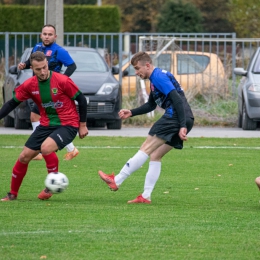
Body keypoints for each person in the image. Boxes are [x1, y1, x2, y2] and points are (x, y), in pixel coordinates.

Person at [98, 51, 194, 204]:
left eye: (137, 68)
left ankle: (117, 180)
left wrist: (181, 125)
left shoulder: (158, 77)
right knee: (155, 155)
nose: (136, 73)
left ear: (147, 65)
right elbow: (151, 105)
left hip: (175, 117)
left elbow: (177, 99)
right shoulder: (154, 79)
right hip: (185, 118)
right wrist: (132, 112)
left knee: (146, 148)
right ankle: (146, 196)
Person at [0, 51, 88, 201]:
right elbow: (11, 104)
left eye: (44, 67)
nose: (42, 72)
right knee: (24, 157)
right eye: (38, 69)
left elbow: (82, 99)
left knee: (46, 148)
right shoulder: (29, 85)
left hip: (68, 124)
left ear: (47, 64)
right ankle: (12, 194)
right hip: (46, 124)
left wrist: (83, 125)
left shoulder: (62, 80)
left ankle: (50, 188)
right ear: (32, 69)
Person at [18, 24, 79, 161]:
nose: (47, 36)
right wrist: (24, 65)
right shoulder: (37, 48)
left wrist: (62, 80)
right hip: (39, 90)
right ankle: (71, 149)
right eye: (44, 34)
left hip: (53, 92)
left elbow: (72, 66)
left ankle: (39, 150)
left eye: (50, 34)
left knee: (36, 116)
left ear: (55, 36)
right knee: (47, 119)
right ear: (41, 35)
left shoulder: (59, 51)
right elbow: (30, 62)